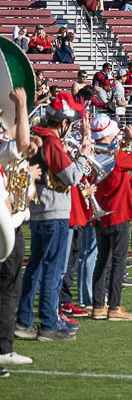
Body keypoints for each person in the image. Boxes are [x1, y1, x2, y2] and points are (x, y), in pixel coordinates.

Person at [16, 94, 90, 342]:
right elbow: (71, 177)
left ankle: (24, 321)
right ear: (63, 122)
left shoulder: (40, 137)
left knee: (36, 268)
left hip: (40, 212)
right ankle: (48, 323)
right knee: (52, 269)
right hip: (53, 211)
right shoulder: (51, 142)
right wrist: (83, 156)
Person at [87, 114, 132, 321]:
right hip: (119, 213)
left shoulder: (91, 153)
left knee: (102, 260)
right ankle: (114, 307)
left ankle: (98, 306)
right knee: (118, 260)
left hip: (100, 213)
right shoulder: (116, 156)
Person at [0, 88, 37, 369]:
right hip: (5, 225)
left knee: (11, 286)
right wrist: (22, 105)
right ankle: (3, 347)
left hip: (11, 220)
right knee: (8, 288)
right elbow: (20, 142)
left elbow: (18, 140)